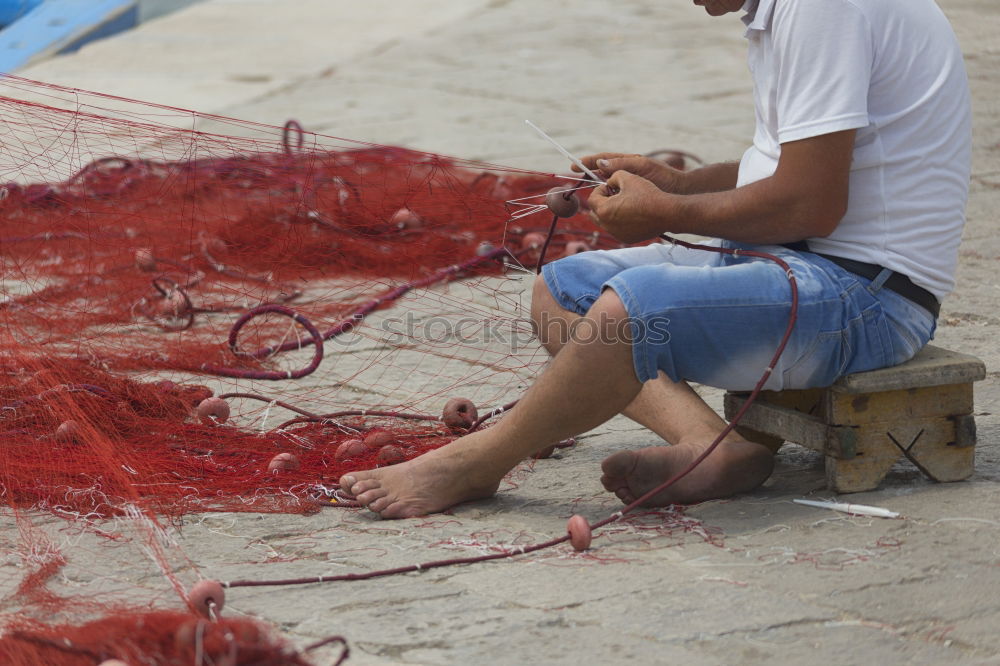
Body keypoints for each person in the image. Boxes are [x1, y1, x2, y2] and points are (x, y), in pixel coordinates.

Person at [340, 0, 972, 518]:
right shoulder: (786, 12)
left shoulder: (822, 8)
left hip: (867, 298)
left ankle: (479, 462)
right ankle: (709, 447)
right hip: (798, 264)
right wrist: (675, 185)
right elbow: (784, 169)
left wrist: (663, 213)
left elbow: (810, 205)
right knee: (563, 290)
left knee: (629, 311)